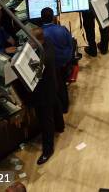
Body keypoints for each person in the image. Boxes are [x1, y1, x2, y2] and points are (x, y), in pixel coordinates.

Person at [30, 27, 64, 165]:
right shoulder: (47, 42)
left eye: (30, 41)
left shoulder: (44, 57)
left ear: (38, 41)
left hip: (44, 91)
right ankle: (60, 126)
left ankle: (47, 150)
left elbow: (36, 72)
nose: (28, 43)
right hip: (52, 85)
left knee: (46, 121)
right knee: (55, 105)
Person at [41, 7, 73, 113]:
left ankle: (63, 107)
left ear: (41, 18)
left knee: (59, 85)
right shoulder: (62, 29)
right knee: (62, 84)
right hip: (66, 62)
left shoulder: (41, 35)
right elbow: (71, 44)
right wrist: (66, 58)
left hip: (54, 66)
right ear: (53, 17)